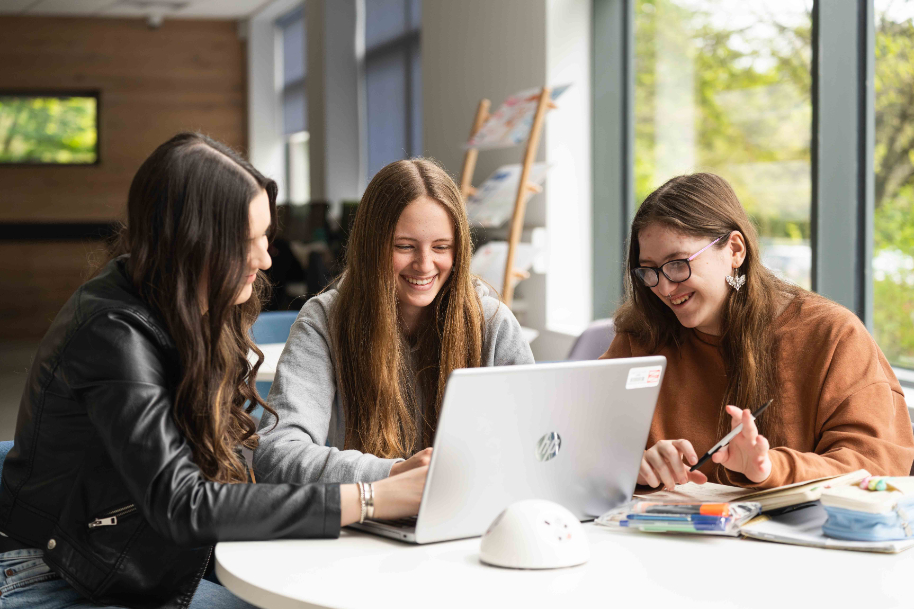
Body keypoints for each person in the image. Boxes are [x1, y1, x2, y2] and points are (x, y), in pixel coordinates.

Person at [0, 133, 426, 609]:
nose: (265, 258)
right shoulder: (112, 333)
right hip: (51, 573)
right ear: (189, 242)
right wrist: (372, 498)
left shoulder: (182, 304)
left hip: (136, 554)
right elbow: (183, 505)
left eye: (266, 235)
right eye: (246, 241)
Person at [601, 172, 914, 491]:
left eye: (678, 263)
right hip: (657, 538)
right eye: (649, 271)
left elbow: (875, 467)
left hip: (796, 540)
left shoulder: (832, 335)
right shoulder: (641, 338)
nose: (664, 287)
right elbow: (578, 441)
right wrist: (628, 463)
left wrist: (769, 467)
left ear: (735, 250)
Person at [254, 158, 534, 485]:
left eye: (442, 247)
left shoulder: (493, 322)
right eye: (405, 246)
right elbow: (276, 453)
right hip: (367, 518)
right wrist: (393, 475)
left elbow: (535, 444)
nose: (425, 264)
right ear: (372, 246)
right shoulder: (326, 320)